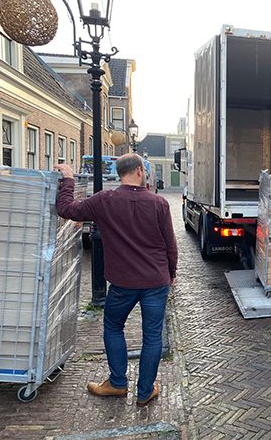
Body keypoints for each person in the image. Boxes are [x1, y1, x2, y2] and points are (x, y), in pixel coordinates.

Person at [54, 154, 178, 407]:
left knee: (113, 327)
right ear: (140, 171)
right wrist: (171, 272)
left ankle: (118, 384)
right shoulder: (159, 203)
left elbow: (66, 209)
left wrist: (68, 179)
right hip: (156, 280)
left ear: (120, 173)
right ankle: (145, 391)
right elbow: (170, 245)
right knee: (152, 335)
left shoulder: (103, 200)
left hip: (123, 283)